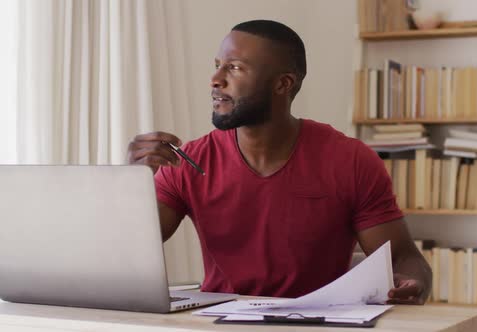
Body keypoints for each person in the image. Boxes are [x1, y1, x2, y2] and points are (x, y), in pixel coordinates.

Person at [127, 19, 432, 304]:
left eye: (233, 68)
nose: (215, 79)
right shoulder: (188, 161)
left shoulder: (351, 160)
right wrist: (133, 182)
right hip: (219, 323)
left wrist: (414, 283)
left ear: (283, 84)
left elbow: (404, 258)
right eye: (218, 66)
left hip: (319, 323)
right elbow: (130, 250)